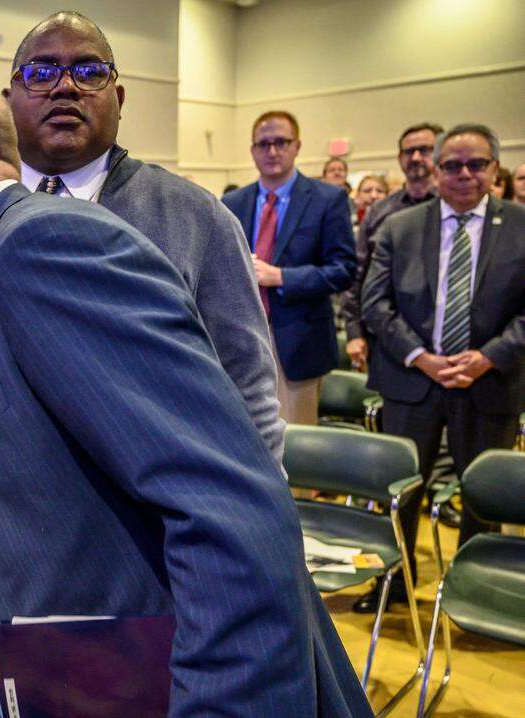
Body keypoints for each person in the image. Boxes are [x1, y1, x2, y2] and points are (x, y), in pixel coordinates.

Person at [0, 70, 371, 718]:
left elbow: (232, 506)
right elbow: (17, 470)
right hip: (60, 661)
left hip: (124, 669)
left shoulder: (40, 246)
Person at [362, 123, 525, 610]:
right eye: (451, 165)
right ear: (436, 170)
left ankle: (481, 592)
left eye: (477, 164)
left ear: (495, 169)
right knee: (402, 491)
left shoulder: (520, 226)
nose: (464, 174)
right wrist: (423, 358)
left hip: (491, 381)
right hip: (413, 380)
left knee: (482, 496)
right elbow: (375, 303)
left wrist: (488, 356)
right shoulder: (399, 226)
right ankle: (392, 584)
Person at [223, 111, 356, 425]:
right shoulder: (232, 202)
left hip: (296, 343)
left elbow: (344, 269)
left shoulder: (327, 199)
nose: (272, 151)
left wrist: (280, 276)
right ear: (253, 150)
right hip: (241, 341)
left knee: (292, 446)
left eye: (281, 142)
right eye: (263, 144)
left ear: (297, 146)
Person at [341, 123, 442, 374]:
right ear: (400, 158)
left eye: (425, 149)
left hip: (447, 340)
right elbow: (358, 272)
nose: (416, 157)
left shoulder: (454, 209)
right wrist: (353, 330)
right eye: (409, 151)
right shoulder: (381, 211)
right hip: (388, 337)